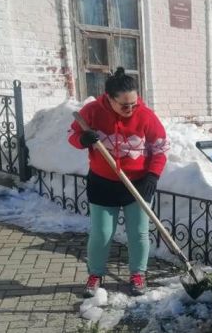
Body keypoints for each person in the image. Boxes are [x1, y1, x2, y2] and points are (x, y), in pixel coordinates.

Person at [69, 68, 169, 297]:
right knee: (102, 233)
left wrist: (153, 175)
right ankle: (95, 274)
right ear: (109, 99)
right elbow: (73, 134)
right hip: (103, 183)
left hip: (137, 184)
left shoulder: (146, 116)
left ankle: (138, 274)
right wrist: (83, 139)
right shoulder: (92, 111)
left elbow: (161, 149)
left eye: (134, 103)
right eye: (125, 105)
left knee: (139, 233)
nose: (131, 109)